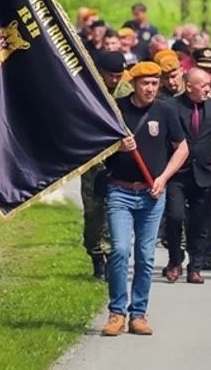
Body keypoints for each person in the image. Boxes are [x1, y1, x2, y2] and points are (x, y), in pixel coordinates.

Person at [100, 61, 189, 337]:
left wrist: (163, 177)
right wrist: (116, 146)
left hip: (152, 194)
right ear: (134, 83)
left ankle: (138, 313)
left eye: (154, 83)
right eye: (145, 83)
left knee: (145, 256)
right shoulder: (116, 108)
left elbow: (182, 148)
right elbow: (97, 149)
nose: (150, 88)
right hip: (120, 191)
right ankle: (116, 312)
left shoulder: (166, 110)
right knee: (120, 250)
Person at [163, 68, 211, 284]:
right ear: (190, 86)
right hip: (177, 174)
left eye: (209, 85)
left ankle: (196, 265)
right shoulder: (171, 106)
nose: (208, 89)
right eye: (203, 86)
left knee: (201, 222)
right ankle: (175, 260)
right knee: (175, 217)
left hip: (204, 172)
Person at [82, 51, 130, 279]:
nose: (115, 79)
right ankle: (95, 254)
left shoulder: (127, 93)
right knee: (94, 214)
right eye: (111, 75)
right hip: (93, 165)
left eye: (119, 75)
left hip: (118, 164)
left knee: (115, 212)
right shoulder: (89, 91)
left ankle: (112, 260)